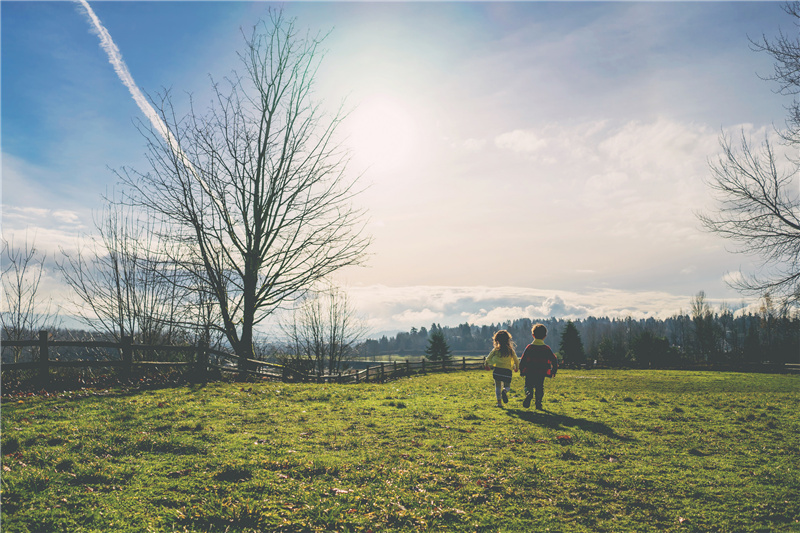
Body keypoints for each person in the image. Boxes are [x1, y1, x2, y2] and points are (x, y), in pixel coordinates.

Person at [518, 323, 559, 410]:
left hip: (530, 371)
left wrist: (521, 370)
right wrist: (553, 370)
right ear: (545, 336)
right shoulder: (546, 348)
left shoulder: (529, 347)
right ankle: (538, 403)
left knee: (528, 385)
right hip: (541, 372)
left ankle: (529, 394)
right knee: (539, 387)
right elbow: (554, 359)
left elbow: (523, 359)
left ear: (533, 335)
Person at [484, 330, 519, 408]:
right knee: (507, 386)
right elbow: (516, 360)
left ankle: (499, 403)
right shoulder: (510, 350)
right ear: (508, 340)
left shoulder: (496, 350)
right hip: (507, 371)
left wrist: (486, 365)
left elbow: (488, 358)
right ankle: (505, 391)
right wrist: (517, 367)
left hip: (497, 370)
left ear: (497, 340)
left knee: (497, 386)